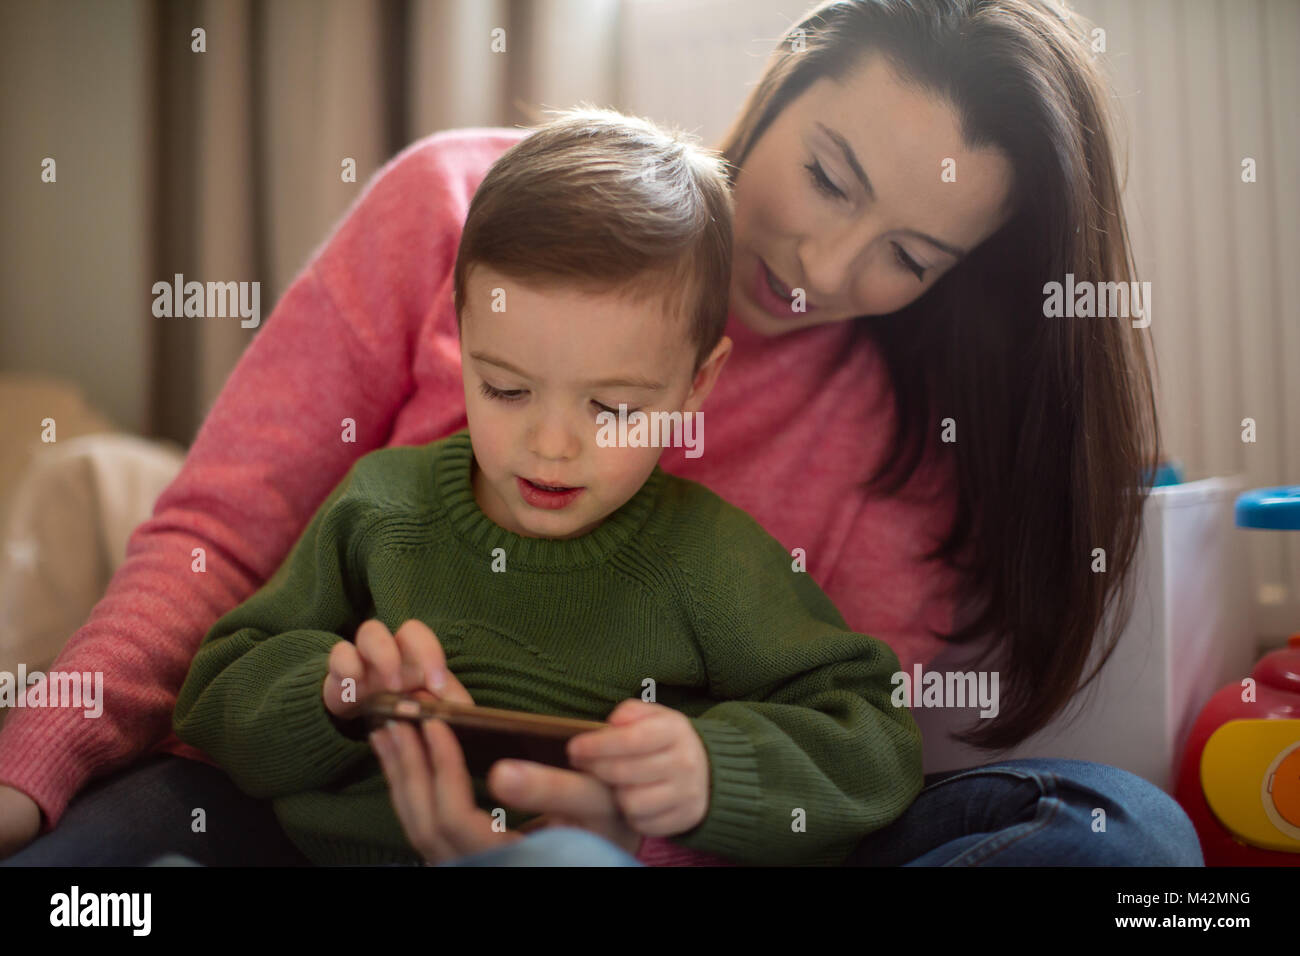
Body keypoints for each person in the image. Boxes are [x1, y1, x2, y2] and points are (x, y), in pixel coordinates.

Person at [0, 0, 1203, 867]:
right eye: (830, 179)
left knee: (1118, 831)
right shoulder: (455, 218)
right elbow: (219, 536)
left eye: (910, 255)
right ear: (781, 81)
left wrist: (636, 819)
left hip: (650, 847)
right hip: (311, 815)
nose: (824, 266)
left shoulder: (899, 431)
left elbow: (849, 750)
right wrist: (35, 760)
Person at [170, 108, 924, 867]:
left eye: (615, 409)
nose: (552, 446)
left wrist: (709, 773)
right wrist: (332, 697)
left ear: (698, 387)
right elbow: (214, 694)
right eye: (505, 389)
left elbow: (874, 739)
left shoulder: (712, 561)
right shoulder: (382, 505)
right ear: (464, 345)